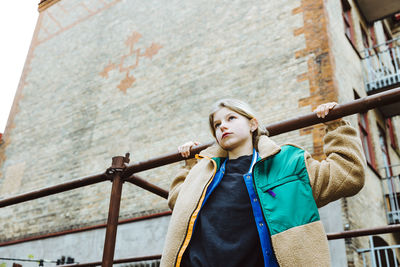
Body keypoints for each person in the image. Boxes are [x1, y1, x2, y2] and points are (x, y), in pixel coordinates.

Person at [160, 99, 366, 267]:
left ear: (252, 124)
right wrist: (189, 165)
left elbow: (348, 175)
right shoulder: (204, 171)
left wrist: (336, 125)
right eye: (217, 124)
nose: (223, 125)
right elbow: (178, 201)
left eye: (231, 118)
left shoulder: (288, 162)